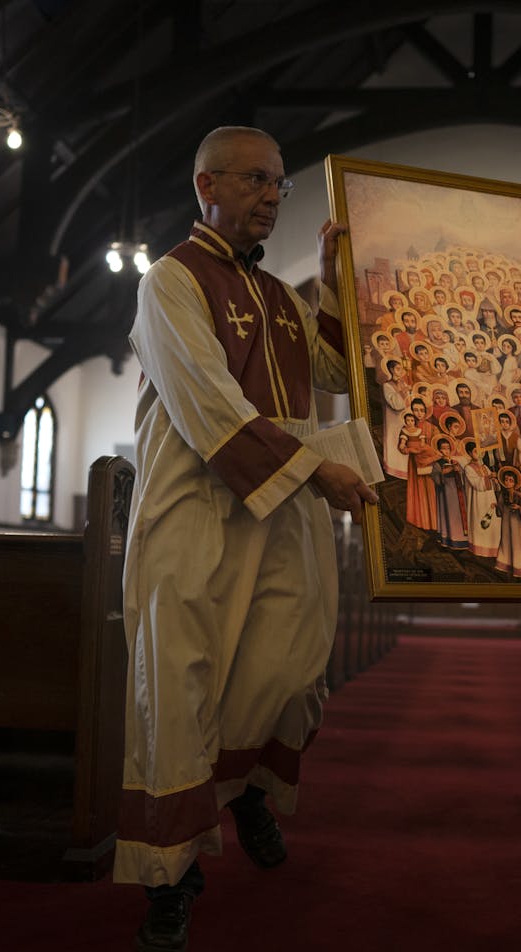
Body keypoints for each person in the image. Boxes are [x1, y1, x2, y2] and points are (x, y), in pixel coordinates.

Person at [118, 125, 378, 952]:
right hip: (196, 508)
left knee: (290, 670)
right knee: (181, 685)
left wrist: (334, 279)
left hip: (284, 508)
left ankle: (248, 790)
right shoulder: (170, 279)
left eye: (279, 185)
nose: (273, 196)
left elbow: (336, 372)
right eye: (258, 181)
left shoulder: (279, 297)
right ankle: (170, 878)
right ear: (208, 185)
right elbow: (207, 404)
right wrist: (319, 471)